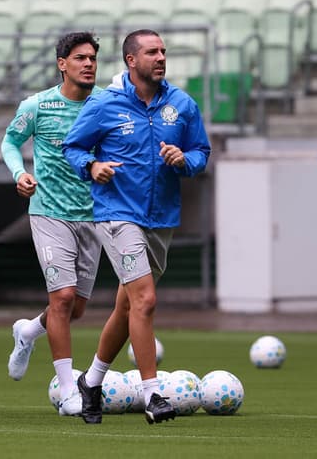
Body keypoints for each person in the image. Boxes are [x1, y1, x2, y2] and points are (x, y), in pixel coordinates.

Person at [62, 29, 211, 425]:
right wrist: (91, 166)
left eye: (164, 50)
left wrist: (185, 160)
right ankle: (153, 394)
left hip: (161, 218)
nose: (161, 57)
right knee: (145, 301)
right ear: (131, 60)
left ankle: (91, 382)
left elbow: (202, 152)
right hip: (116, 214)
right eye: (152, 52)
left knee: (127, 306)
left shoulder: (181, 104)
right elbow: (73, 147)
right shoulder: (104, 104)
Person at [1, 32, 103, 417]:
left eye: (92, 57)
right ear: (62, 63)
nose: (88, 64)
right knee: (61, 299)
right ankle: (68, 391)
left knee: (74, 308)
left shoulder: (106, 105)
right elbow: (10, 142)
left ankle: (28, 331)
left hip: (92, 216)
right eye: (80, 58)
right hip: (48, 213)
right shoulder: (38, 105)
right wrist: (18, 173)